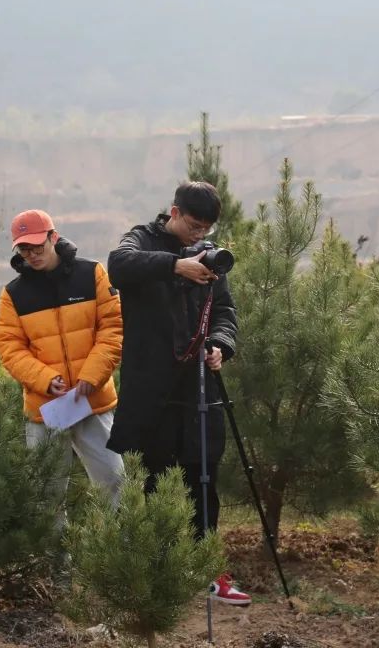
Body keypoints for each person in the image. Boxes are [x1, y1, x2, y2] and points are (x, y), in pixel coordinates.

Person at [105, 181, 250, 607]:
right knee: (153, 479)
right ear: (174, 212)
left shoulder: (209, 254)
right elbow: (119, 266)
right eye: (193, 225)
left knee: (203, 478)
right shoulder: (142, 240)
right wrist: (176, 266)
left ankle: (208, 572)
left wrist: (220, 345)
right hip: (152, 391)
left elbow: (225, 311)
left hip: (198, 390)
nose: (198, 234)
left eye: (206, 228)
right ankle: (156, 574)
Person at [0, 209, 125, 507]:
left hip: (92, 400)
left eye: (37, 246)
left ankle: (119, 538)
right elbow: (9, 347)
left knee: (115, 482)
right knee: (46, 496)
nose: (31, 255)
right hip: (46, 409)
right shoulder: (13, 294)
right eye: (24, 249)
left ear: (53, 237)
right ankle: (56, 543)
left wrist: (91, 376)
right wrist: (45, 379)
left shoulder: (92, 274)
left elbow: (113, 328)